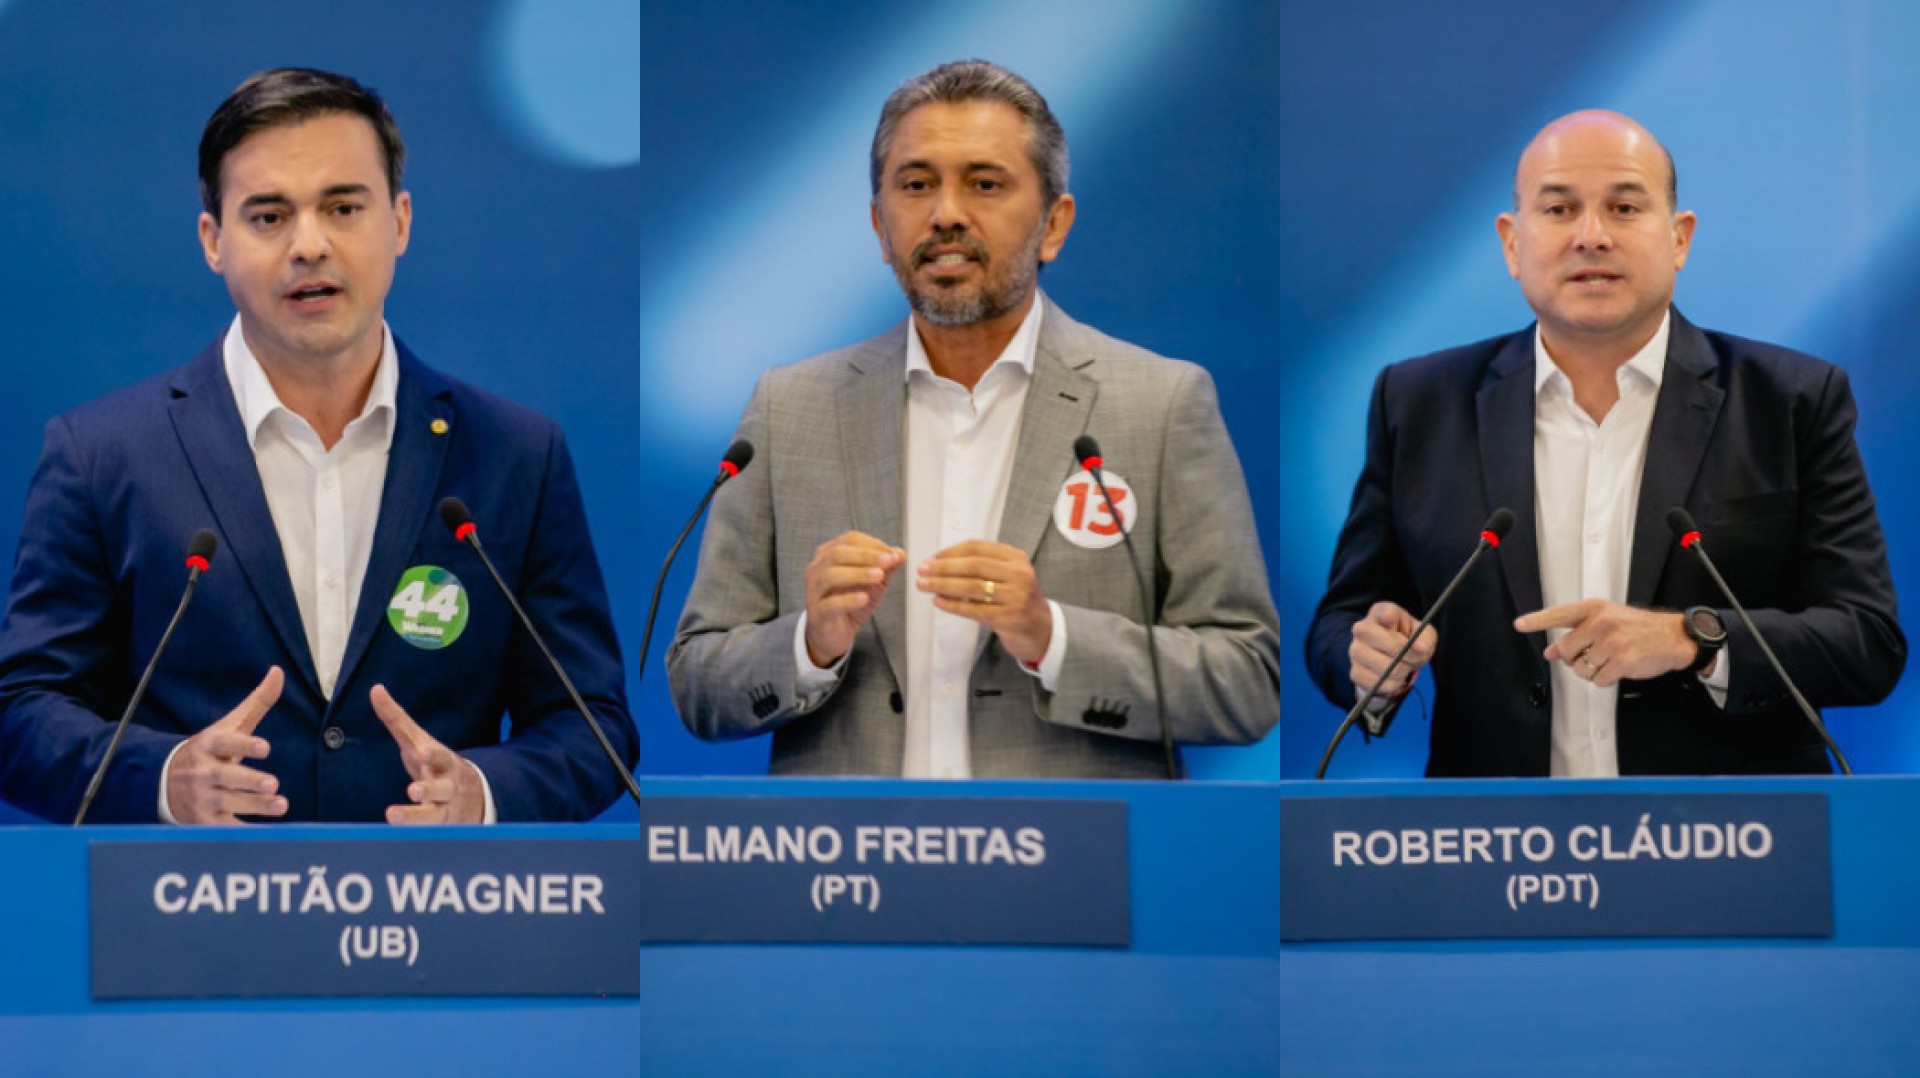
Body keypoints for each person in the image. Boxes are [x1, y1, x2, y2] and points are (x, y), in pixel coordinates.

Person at [0, 68, 635, 823]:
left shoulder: (515, 456)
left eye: (343, 207)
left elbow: (592, 728)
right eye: (269, 217)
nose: (310, 245)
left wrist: (484, 793)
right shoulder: (103, 455)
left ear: (399, 222)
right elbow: (22, 713)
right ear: (213, 241)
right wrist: (164, 778)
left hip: (436, 924)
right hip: (189, 924)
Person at [668, 60, 1279, 778]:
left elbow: (1247, 682)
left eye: (985, 183)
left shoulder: (1161, 404)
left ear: (1055, 223)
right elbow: (696, 682)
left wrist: (1050, 636)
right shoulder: (789, 407)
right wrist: (811, 642)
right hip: (848, 875)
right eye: (916, 184)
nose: (946, 213)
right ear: (878, 224)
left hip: (1073, 872)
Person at [1307, 110, 1904, 776]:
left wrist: (1693, 639)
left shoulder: (1790, 401)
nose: (1591, 237)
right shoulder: (1418, 403)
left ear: (1679, 239)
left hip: (1730, 844)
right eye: (1559, 209)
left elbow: (1866, 640)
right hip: (1495, 848)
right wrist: (1368, 662)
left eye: (1623, 207)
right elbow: (1343, 623)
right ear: (1512, 244)